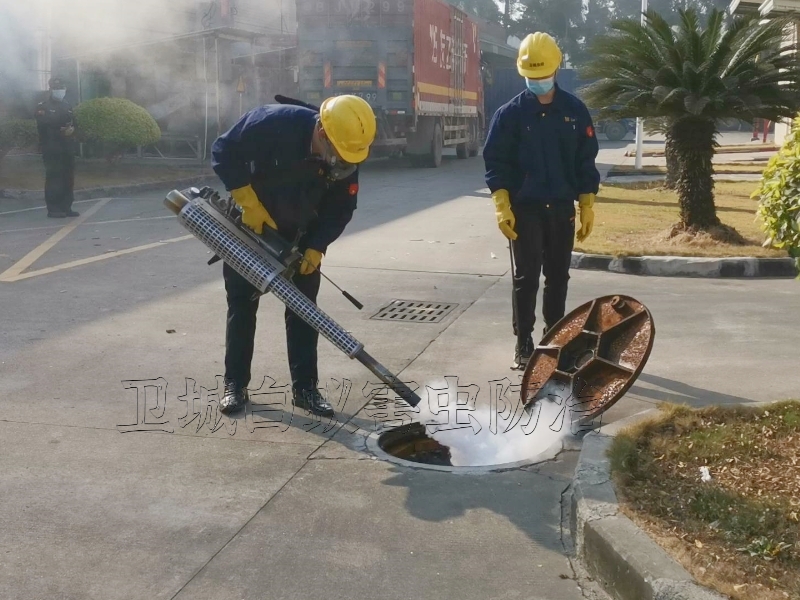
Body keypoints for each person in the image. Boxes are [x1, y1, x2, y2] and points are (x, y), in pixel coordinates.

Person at [210, 95, 377, 416]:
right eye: (336, 153)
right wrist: (247, 200)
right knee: (242, 306)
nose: (340, 161)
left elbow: (342, 208)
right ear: (323, 133)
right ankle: (235, 385)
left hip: (302, 237)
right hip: (251, 227)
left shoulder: (347, 153)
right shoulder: (273, 122)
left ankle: (305, 390)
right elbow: (223, 150)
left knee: (303, 312)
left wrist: (318, 245)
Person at [483, 32, 600, 370]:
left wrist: (587, 202)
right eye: (531, 77)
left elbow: (585, 160)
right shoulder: (510, 115)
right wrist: (502, 203)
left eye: (542, 75)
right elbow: (496, 161)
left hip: (561, 207)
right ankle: (523, 343)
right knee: (527, 278)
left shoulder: (575, 111)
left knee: (558, 277)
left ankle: (555, 337)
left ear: (556, 69)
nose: (537, 81)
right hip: (526, 209)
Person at [35, 77, 78, 218]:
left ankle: (66, 207)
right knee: (54, 178)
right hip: (52, 148)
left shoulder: (67, 105)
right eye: (57, 89)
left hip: (67, 148)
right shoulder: (43, 106)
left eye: (62, 88)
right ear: (51, 89)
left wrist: (71, 129)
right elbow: (44, 124)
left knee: (68, 177)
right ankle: (53, 208)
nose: (60, 91)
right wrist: (60, 129)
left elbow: (73, 122)